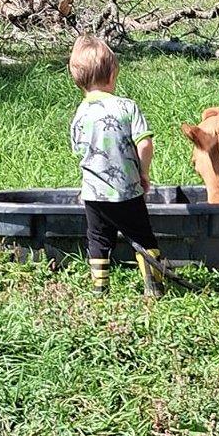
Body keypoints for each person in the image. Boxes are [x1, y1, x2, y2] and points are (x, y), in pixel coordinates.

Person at [68, 34, 165, 298]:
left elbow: (79, 151)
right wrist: (143, 173)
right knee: (142, 237)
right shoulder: (127, 107)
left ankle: (100, 288)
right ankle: (153, 286)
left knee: (98, 239)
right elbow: (144, 144)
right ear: (112, 74)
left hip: (93, 195)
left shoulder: (79, 115)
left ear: (78, 81)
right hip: (127, 191)